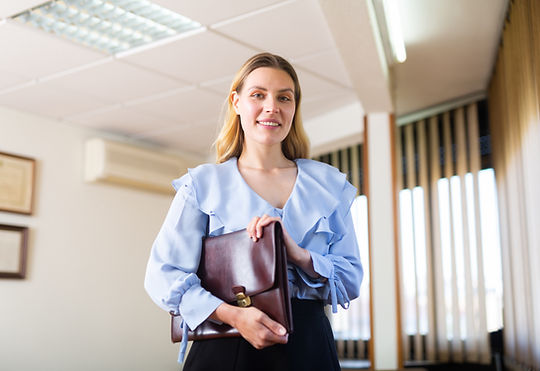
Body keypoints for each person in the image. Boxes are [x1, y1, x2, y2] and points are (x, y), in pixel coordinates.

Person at [144, 52, 363, 371]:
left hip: (309, 347)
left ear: (294, 107)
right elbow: (162, 275)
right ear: (236, 102)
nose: (272, 107)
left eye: (284, 98)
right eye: (258, 95)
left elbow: (351, 278)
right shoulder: (202, 184)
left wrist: (299, 254)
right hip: (226, 341)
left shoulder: (327, 185)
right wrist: (233, 315)